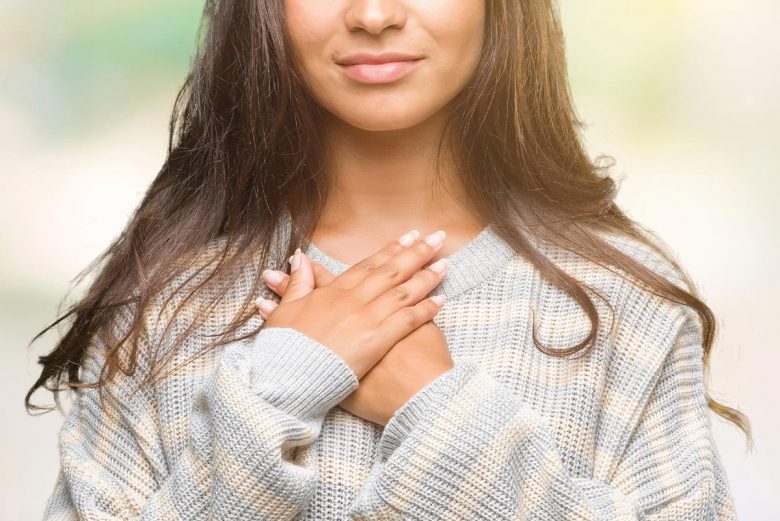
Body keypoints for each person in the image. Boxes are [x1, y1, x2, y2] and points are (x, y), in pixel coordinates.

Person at [27, 0, 750, 519]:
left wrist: (437, 410)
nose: (373, 13)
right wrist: (276, 388)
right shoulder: (169, 300)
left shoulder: (622, 302)